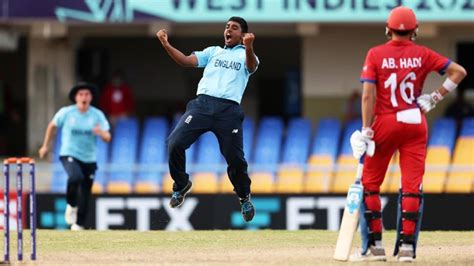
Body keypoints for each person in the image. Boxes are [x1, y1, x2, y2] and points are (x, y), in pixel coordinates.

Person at [349, 6, 467, 262]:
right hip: (415, 121)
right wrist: (435, 97)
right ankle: (407, 249)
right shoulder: (423, 53)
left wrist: (366, 128)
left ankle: (375, 248)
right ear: (415, 31)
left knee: (371, 185)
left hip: (385, 122)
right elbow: (459, 72)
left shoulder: (376, 54)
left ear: (388, 29)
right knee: (411, 187)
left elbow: (368, 94)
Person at [156, 16, 259, 222]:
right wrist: (166, 44)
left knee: (235, 159)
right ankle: (181, 184)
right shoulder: (213, 51)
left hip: (228, 111)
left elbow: (251, 66)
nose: (228, 30)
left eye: (234, 28)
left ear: (242, 35)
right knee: (174, 143)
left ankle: (244, 196)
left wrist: (249, 46)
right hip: (202, 105)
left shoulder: (248, 54)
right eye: (227, 27)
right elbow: (185, 60)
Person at [39, 83, 111, 230]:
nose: (84, 97)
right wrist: (45, 146)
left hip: (89, 158)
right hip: (69, 154)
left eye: (87, 94)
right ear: (75, 97)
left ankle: (79, 225)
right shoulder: (66, 113)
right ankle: (71, 204)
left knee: (85, 193)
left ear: (91, 97)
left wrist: (101, 133)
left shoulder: (97, 115)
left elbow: (108, 137)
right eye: (81, 94)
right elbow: (52, 126)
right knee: (75, 177)